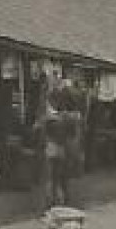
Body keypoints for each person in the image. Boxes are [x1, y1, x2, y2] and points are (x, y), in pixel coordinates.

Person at [38, 78, 74, 209]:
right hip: (62, 149)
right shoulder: (68, 117)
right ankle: (61, 203)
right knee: (59, 178)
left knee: (48, 179)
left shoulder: (48, 118)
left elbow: (42, 132)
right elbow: (72, 134)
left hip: (50, 147)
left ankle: (48, 205)